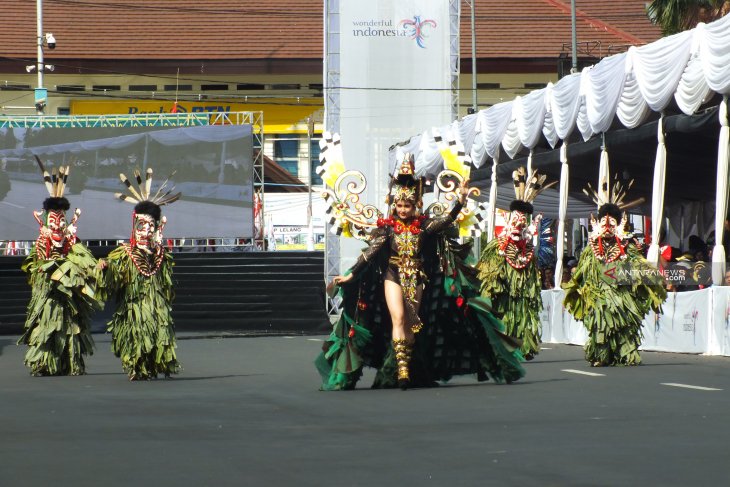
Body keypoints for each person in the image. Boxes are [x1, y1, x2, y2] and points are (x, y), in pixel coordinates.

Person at [315, 154, 524, 390]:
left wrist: (460, 201)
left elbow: (447, 220)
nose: (402, 210)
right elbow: (369, 254)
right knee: (398, 318)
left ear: (415, 206)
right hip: (392, 276)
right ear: (394, 205)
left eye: (407, 206)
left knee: (412, 323)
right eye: (399, 205)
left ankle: (405, 363)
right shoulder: (387, 230)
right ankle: (403, 369)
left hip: (417, 277)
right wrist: (351, 274)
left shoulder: (424, 228)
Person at [563, 176, 666, 366]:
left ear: (618, 225)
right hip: (599, 294)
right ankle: (601, 355)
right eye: (604, 223)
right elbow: (581, 273)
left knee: (625, 322)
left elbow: (639, 266)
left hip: (622, 293)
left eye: (612, 224)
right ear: (598, 223)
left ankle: (625, 353)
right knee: (600, 321)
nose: (608, 227)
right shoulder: (591, 249)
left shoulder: (627, 247)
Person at [18, 159, 101, 376]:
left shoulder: (71, 243)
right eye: (53, 221)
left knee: (70, 326)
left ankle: (69, 362)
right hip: (49, 295)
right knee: (48, 326)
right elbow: (36, 264)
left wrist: (94, 267)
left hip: (68, 297)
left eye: (61, 221)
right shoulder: (42, 243)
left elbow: (85, 263)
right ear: (44, 221)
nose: (57, 225)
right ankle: (45, 363)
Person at [98, 168, 181, 380]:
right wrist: (107, 268)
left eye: (150, 226)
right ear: (134, 227)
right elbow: (116, 272)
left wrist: (157, 251)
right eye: (141, 226)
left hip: (157, 306)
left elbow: (166, 281)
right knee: (137, 336)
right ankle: (137, 367)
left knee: (158, 334)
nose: (146, 231)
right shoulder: (125, 253)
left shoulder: (161, 254)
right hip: (134, 307)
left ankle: (154, 365)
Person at [477, 167, 555, 360]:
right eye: (517, 218)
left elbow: (533, 273)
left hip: (522, 295)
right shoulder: (498, 246)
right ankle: (503, 345)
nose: (520, 223)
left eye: (523, 219)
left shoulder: (528, 248)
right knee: (505, 316)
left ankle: (524, 345)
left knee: (522, 316)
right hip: (504, 293)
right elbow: (488, 275)